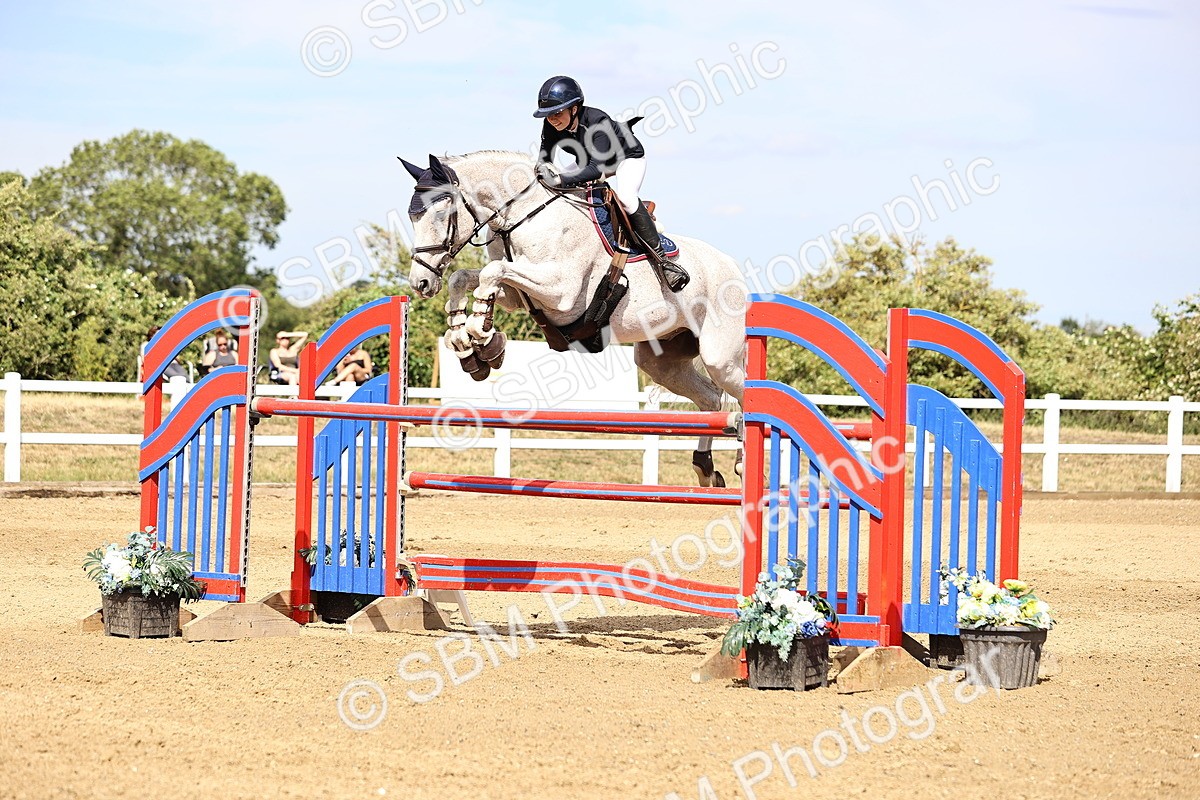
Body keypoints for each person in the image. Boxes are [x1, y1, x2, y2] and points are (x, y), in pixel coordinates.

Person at [533, 75, 689, 292]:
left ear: (575, 108)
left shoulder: (598, 122)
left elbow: (596, 170)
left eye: (557, 113)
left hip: (626, 158)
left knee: (625, 197)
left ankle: (664, 261)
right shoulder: (550, 126)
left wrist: (560, 178)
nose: (553, 120)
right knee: (549, 187)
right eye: (548, 115)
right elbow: (545, 159)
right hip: (590, 161)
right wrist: (543, 173)